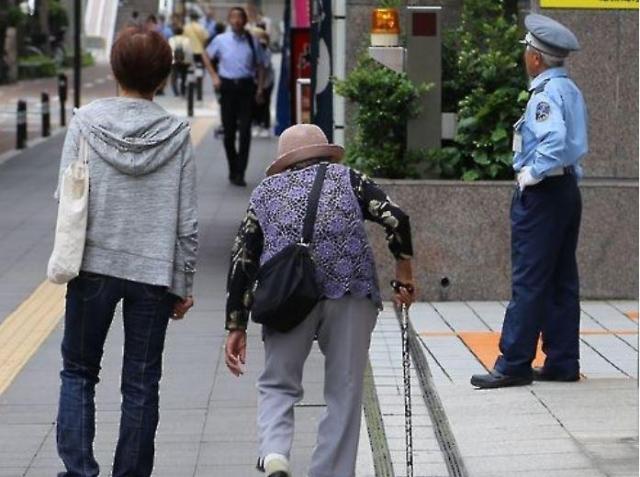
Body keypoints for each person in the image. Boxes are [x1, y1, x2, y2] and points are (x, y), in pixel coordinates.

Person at [224, 124, 416, 477]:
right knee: (344, 389)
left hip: (287, 296)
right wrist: (404, 274)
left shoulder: (265, 193)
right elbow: (396, 217)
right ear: (325, 153)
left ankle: (275, 454)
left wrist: (236, 323)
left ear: (284, 161)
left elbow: (243, 258)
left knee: (278, 383)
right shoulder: (349, 179)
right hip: (351, 290)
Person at [54, 26, 198, 477]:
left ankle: (80, 471)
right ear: (164, 76)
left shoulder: (85, 122)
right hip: (154, 273)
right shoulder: (177, 134)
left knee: (79, 370)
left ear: (115, 68)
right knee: (140, 384)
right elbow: (187, 221)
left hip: (93, 264)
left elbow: (66, 194)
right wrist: (184, 282)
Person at [471, 14, 588, 389]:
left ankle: (514, 362)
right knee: (560, 279)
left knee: (530, 279)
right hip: (567, 191)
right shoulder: (569, 89)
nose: (525, 56)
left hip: (544, 194)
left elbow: (552, 140)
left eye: (527, 50)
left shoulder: (545, 95)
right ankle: (562, 360)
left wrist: (531, 173)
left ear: (536, 58)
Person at [203, 6, 266, 187]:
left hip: (246, 88)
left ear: (245, 21)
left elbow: (261, 65)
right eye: (233, 18)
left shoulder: (252, 41)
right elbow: (206, 56)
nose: (237, 21)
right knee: (229, 132)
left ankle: (240, 172)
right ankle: (233, 167)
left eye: (240, 18)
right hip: (227, 87)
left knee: (245, 130)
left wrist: (260, 89)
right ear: (229, 21)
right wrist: (214, 76)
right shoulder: (220, 40)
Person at [252, 27, 274, 138]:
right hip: (255, 81)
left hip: (267, 81)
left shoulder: (266, 49)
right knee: (254, 104)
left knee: (265, 103)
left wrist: (261, 87)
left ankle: (265, 126)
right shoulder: (252, 48)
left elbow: (264, 66)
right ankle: (256, 124)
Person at [168, 24, 194, 96]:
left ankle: (176, 92)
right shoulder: (187, 40)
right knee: (184, 77)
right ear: (182, 32)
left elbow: (169, 50)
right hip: (184, 61)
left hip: (174, 61)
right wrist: (189, 61)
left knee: (174, 77)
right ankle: (183, 91)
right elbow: (189, 51)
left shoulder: (171, 39)